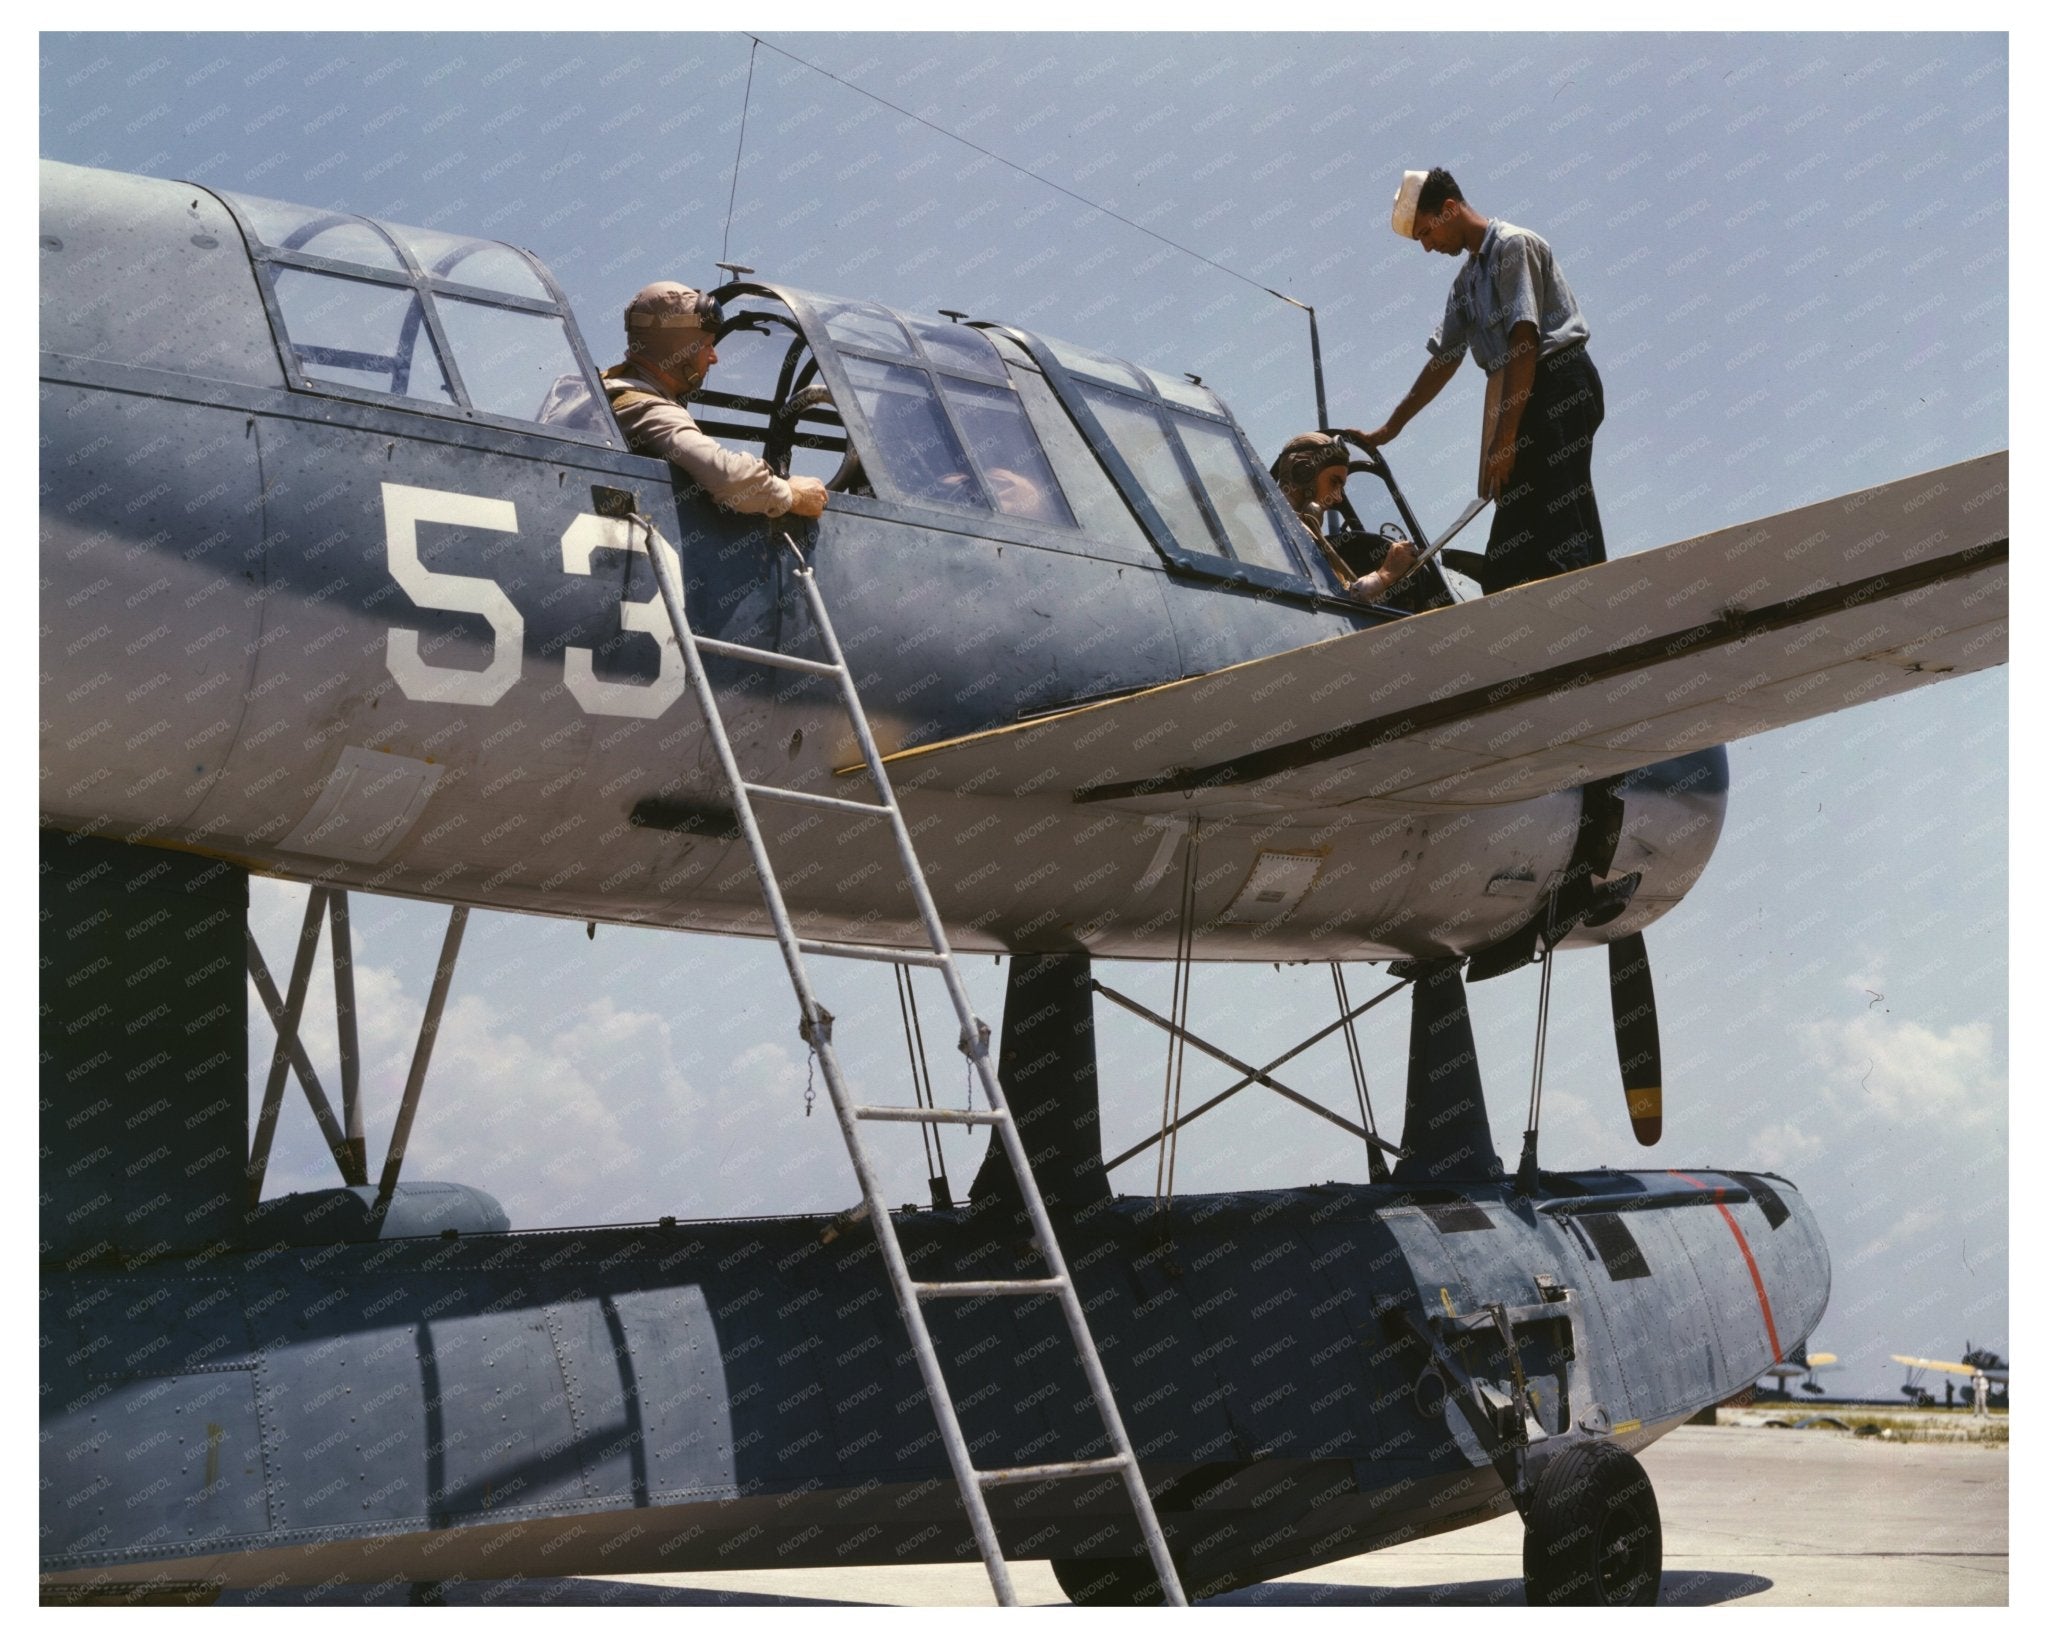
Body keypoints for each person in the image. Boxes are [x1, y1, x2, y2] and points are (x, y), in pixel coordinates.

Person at [1350, 168, 1605, 596]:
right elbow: (1443, 360)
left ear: (1449, 210)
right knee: (1514, 535)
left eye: (1427, 234)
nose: (1429, 247)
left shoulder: (1513, 246)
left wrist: (1503, 441)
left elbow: (1524, 341)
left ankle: (1587, 601)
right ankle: (1512, 597)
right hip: (1518, 395)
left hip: (1559, 381)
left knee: (1560, 511)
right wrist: (1389, 429)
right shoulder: (1466, 282)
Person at [601, 281, 828, 521]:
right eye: (707, 345)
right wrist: (793, 494)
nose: (714, 357)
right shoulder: (649, 409)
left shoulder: (581, 390)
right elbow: (731, 478)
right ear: (679, 349)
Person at [1269, 432, 1419, 603]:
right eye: (1334, 482)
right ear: (1304, 473)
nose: (1339, 497)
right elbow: (1333, 603)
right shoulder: (1278, 528)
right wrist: (1385, 575)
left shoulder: (1298, 530)